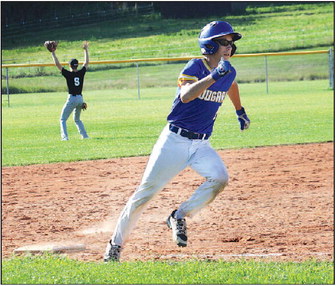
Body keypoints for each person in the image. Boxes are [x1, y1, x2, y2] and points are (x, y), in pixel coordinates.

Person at [104, 21, 250, 262]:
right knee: (145, 194)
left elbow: (231, 85)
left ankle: (178, 215)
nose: (229, 46)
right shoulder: (196, 66)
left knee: (220, 178)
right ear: (210, 44)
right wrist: (214, 76)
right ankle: (115, 245)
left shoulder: (228, 70)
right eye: (224, 41)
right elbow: (186, 95)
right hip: (174, 140)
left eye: (231, 42)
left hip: (201, 144)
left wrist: (240, 110)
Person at [50, 41, 90, 141]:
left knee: (62, 119)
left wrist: (53, 53)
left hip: (72, 98)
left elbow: (57, 65)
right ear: (77, 65)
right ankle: (85, 136)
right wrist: (85, 50)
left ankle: (65, 138)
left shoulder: (68, 74)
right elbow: (86, 63)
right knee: (77, 119)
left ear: (70, 66)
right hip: (80, 98)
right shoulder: (81, 73)